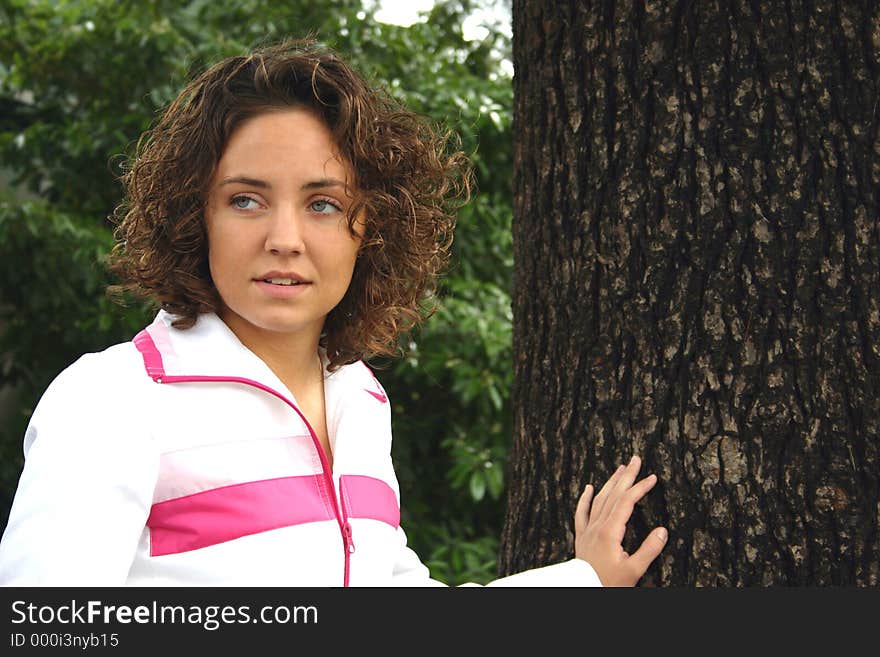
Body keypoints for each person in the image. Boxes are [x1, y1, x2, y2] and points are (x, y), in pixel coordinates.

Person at [0, 37, 667, 586]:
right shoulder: (112, 398)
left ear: (367, 228)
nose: (284, 237)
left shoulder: (360, 398)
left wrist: (583, 581)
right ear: (193, 215)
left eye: (322, 203)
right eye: (245, 199)